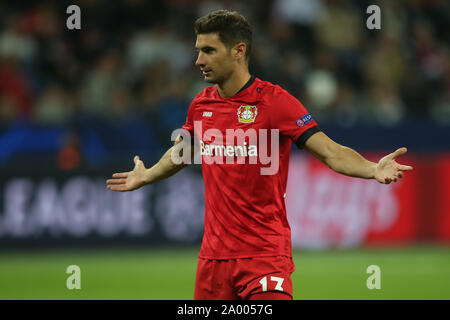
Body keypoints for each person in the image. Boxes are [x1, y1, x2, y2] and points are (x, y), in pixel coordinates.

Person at [106, 10, 413, 300]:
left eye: (209, 50)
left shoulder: (275, 102)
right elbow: (182, 152)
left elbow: (331, 152)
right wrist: (147, 175)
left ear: (238, 51)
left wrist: (372, 169)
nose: (199, 60)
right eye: (198, 50)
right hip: (213, 262)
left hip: (264, 257)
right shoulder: (201, 105)